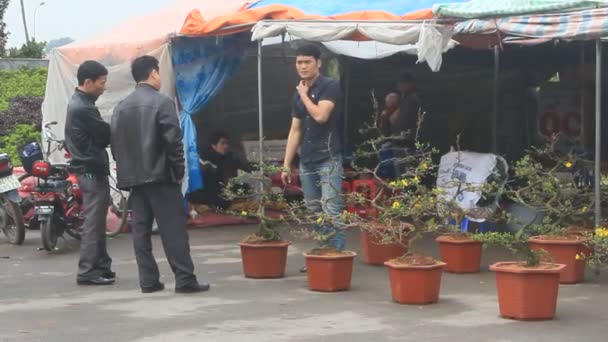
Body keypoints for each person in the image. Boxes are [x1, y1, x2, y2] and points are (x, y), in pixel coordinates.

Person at [110, 55, 209, 294]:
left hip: (134, 179)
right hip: (161, 176)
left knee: (140, 231)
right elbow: (173, 141)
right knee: (172, 229)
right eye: (159, 73)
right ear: (153, 73)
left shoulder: (120, 107)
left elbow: (115, 144)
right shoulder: (162, 102)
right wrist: (178, 171)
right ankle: (184, 279)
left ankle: (148, 280)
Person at [280, 44, 345, 272]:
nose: (303, 66)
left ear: (319, 63)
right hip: (307, 159)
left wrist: (304, 95)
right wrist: (287, 164)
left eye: (307, 61)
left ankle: (336, 256)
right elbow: (295, 130)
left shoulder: (330, 86)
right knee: (314, 209)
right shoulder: (297, 93)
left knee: (331, 208)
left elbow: (320, 116)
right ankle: (322, 252)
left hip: (328, 156)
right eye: (299, 62)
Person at [64, 60, 115, 286]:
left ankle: (101, 265)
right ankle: (87, 271)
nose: (104, 87)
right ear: (88, 82)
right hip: (90, 171)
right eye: (102, 83)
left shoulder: (80, 102)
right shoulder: (83, 107)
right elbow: (106, 135)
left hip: (89, 169)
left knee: (97, 219)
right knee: (94, 222)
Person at [187, 132, 253, 210]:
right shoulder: (205, 158)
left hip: (222, 189)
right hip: (206, 191)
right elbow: (208, 180)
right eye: (222, 143)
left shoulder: (230, 157)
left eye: (227, 143)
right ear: (214, 145)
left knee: (245, 188)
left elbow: (246, 166)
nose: (226, 146)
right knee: (221, 200)